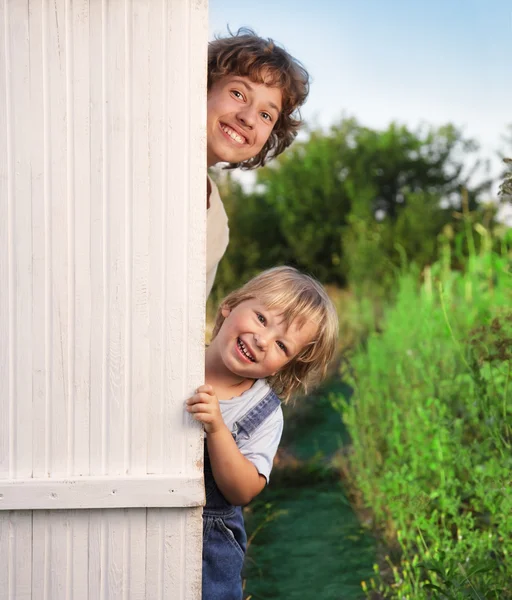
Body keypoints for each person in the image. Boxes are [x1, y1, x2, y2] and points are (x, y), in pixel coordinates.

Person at [186, 266, 338, 600]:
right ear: (230, 305)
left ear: (288, 366)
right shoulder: (176, 360)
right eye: (261, 318)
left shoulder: (263, 413)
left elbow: (242, 490)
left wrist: (217, 428)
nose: (263, 340)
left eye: (282, 346)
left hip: (207, 545)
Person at [206, 29, 310, 296]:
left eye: (265, 115)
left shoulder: (216, 225)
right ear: (204, 87)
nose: (249, 118)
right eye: (238, 94)